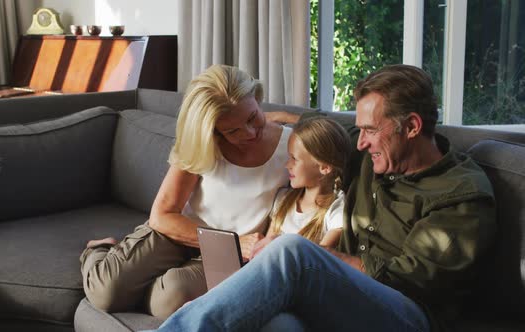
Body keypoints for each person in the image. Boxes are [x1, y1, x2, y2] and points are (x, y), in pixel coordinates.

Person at [150, 64, 497, 331]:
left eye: (371, 131)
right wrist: (269, 120)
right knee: (275, 324)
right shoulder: (369, 151)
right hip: (341, 300)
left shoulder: (461, 193)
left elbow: (411, 278)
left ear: (412, 127)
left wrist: (320, 257)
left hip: (406, 313)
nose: (359, 143)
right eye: (359, 129)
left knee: (293, 251)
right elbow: (321, 125)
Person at [80, 64, 292, 319]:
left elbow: (326, 130)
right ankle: (99, 249)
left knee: (169, 300)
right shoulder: (203, 143)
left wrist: (288, 117)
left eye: (252, 117)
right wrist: (234, 239)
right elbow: (162, 215)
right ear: (213, 130)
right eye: (232, 130)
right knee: (106, 292)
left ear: (258, 100)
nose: (249, 133)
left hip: (231, 254)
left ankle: (137, 283)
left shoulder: (292, 145)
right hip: (179, 234)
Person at [251, 117, 351, 259]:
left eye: (294, 159)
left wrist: (279, 246)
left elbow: (319, 260)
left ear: (324, 167)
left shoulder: (335, 211)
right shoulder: (284, 199)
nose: (287, 165)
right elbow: (264, 254)